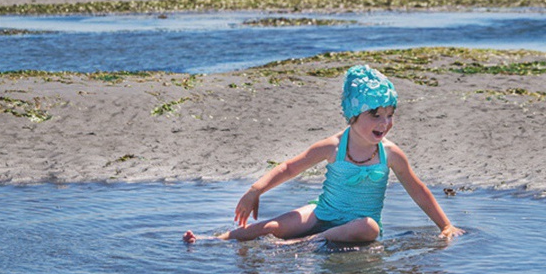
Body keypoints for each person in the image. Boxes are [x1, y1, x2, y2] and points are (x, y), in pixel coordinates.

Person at [183, 64, 463, 244]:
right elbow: (290, 168)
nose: (384, 123)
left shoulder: (390, 154)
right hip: (322, 212)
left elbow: (418, 190)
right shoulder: (333, 146)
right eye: (375, 115)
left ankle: (308, 242)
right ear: (353, 115)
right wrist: (256, 190)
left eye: (390, 115)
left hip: (357, 226)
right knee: (271, 226)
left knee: (369, 228)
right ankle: (213, 239)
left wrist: (446, 225)